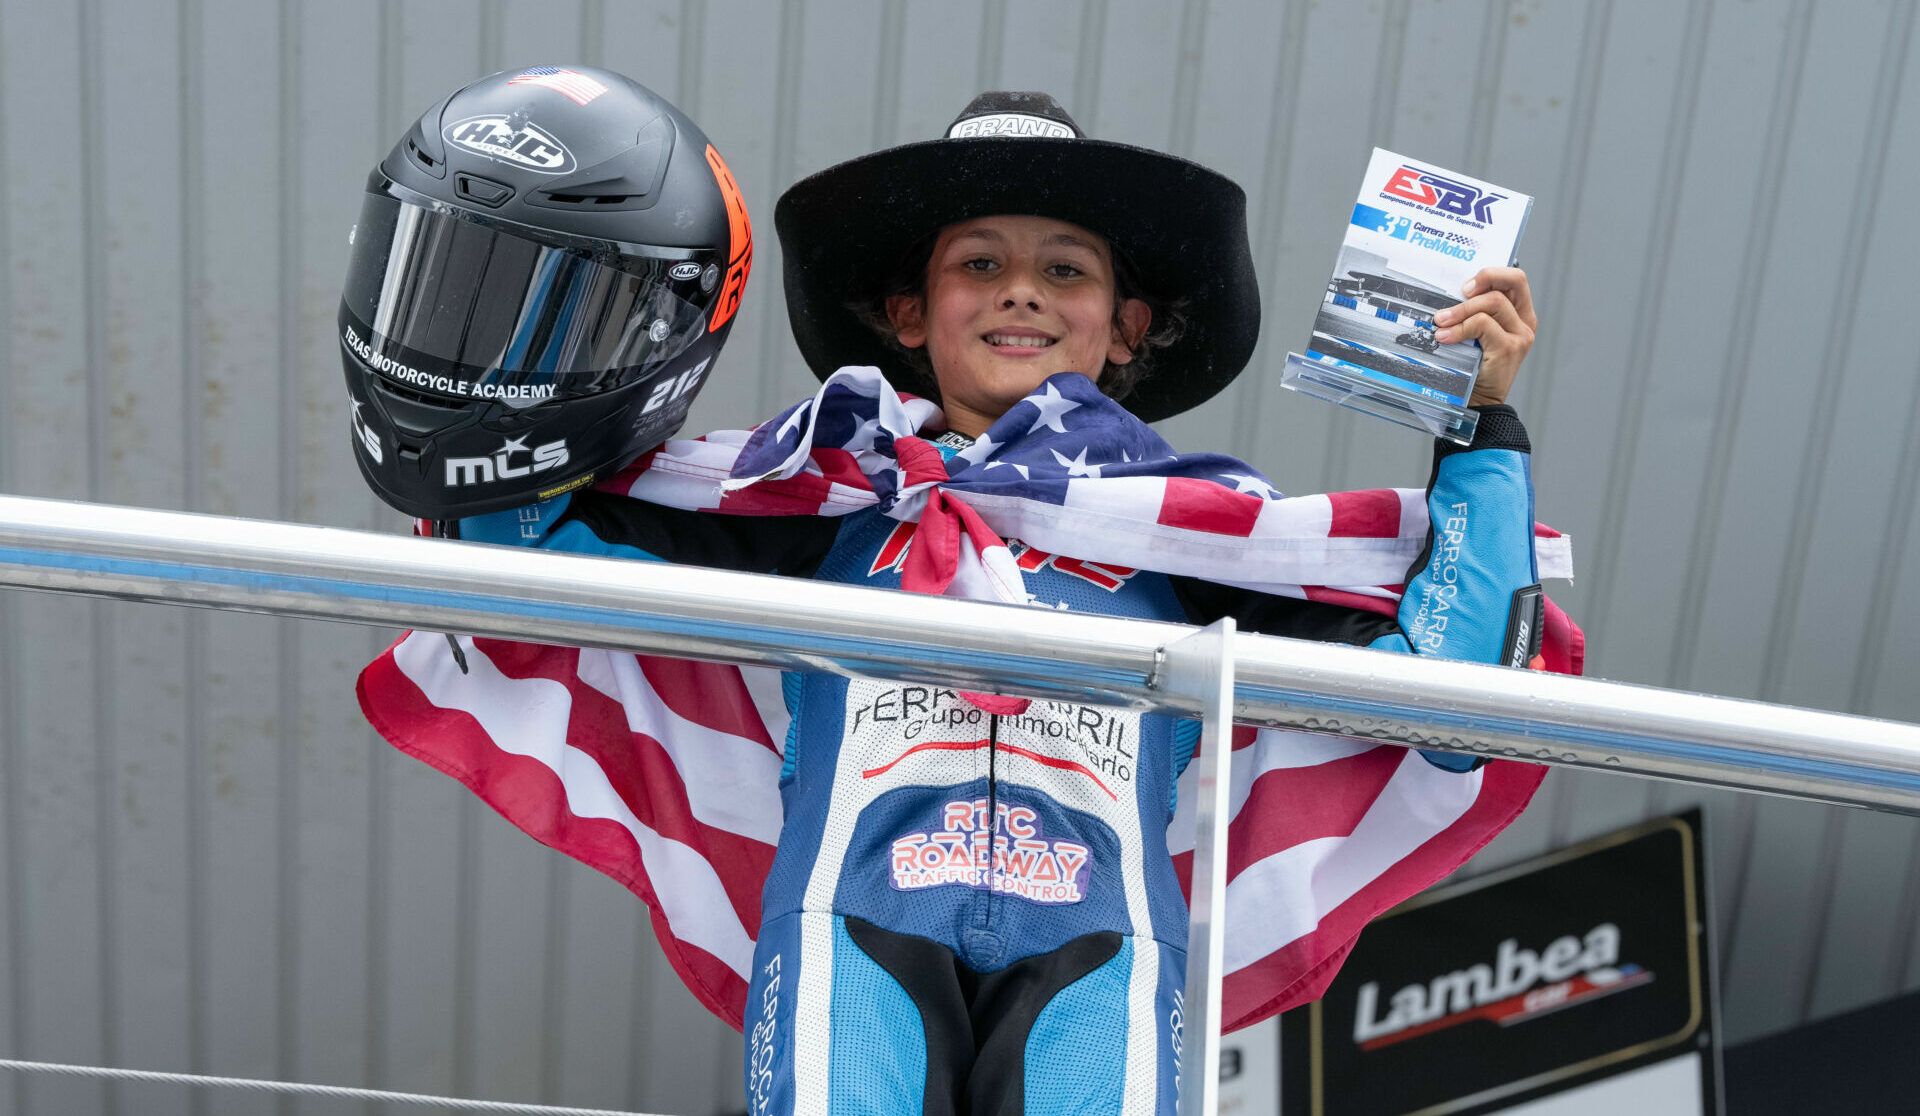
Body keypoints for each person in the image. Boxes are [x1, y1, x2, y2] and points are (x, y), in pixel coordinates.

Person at [354, 88, 1558, 1116]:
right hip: (846, 937)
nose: (1020, 292)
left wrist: (1481, 427)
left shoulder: (1215, 536)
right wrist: (515, 282)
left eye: (1065, 269)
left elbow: (1452, 697)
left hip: (1104, 960)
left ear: (1127, 326)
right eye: (978, 262)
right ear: (910, 317)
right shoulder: (796, 497)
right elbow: (510, 550)